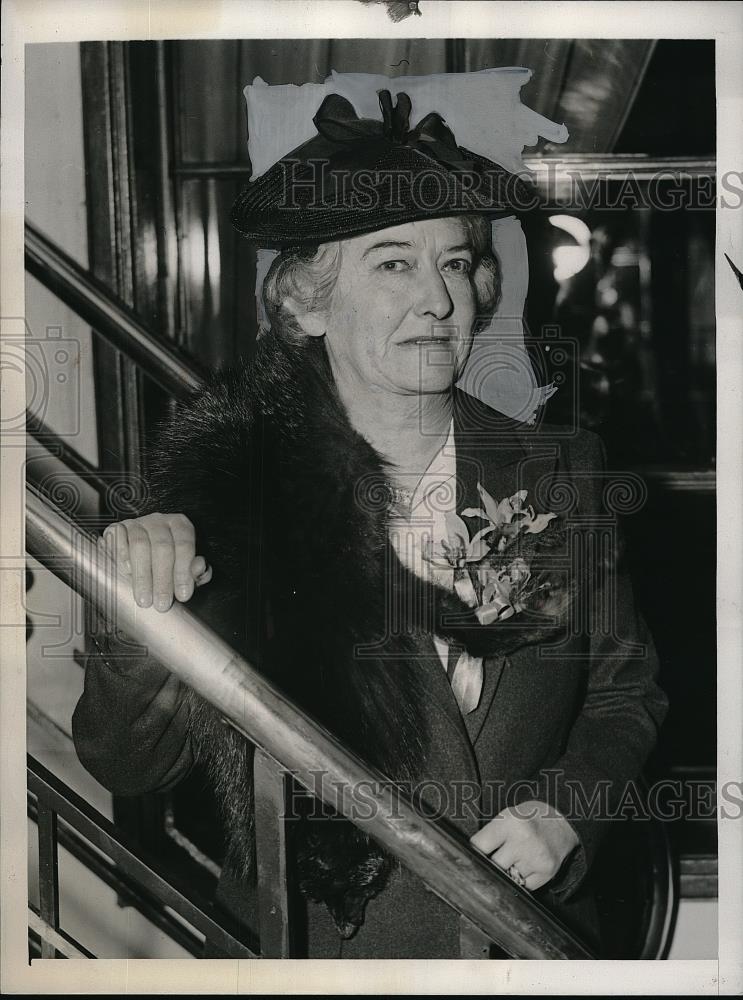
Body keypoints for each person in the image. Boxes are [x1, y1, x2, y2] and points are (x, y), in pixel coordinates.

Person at [72, 90, 668, 958]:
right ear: (308, 306)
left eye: (457, 264)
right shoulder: (225, 504)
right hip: (319, 947)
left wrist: (565, 811)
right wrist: (139, 608)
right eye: (393, 265)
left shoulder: (560, 471)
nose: (438, 300)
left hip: (525, 943)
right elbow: (127, 765)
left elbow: (626, 694)